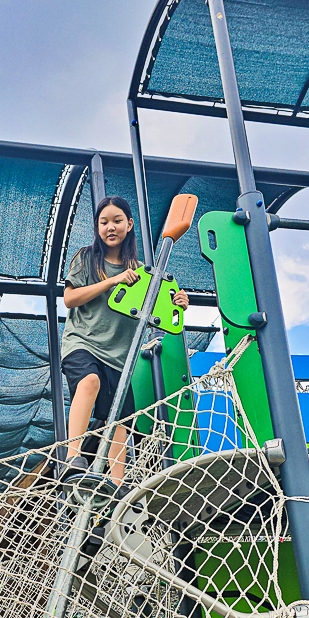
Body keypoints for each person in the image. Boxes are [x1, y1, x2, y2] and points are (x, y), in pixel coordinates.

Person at [61, 195, 188, 485]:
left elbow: (163, 313)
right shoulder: (86, 258)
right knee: (89, 382)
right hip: (83, 341)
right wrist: (111, 281)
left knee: (119, 417)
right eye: (103, 222)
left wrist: (179, 302)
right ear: (97, 227)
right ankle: (72, 456)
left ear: (129, 224)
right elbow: (69, 299)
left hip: (119, 355)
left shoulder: (142, 272)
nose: (110, 227)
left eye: (117, 221)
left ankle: (117, 484)